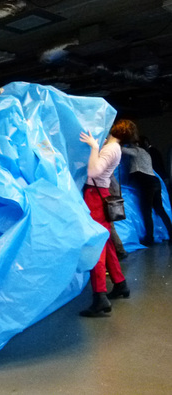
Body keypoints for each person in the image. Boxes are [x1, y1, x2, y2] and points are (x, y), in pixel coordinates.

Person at [79, 119, 132, 317]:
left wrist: (93, 147)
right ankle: (120, 284)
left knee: (97, 245)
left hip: (95, 196)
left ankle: (100, 296)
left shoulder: (110, 148)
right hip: (100, 194)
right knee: (107, 242)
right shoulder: (113, 147)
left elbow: (93, 171)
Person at [121, 130, 172, 246]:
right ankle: (171, 233)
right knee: (160, 209)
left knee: (146, 211)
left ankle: (149, 238)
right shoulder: (146, 152)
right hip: (155, 182)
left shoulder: (136, 151)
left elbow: (122, 150)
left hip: (147, 184)